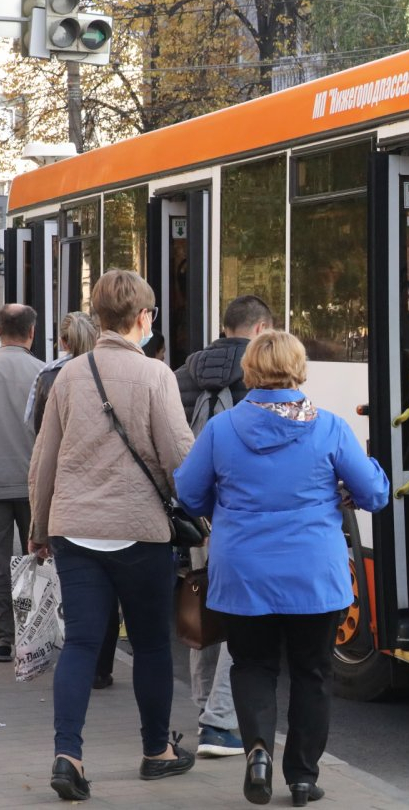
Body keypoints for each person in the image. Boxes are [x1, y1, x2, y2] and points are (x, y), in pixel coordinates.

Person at [174, 330, 389, 807]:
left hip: (243, 572)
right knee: (312, 673)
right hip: (314, 575)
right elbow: (374, 494)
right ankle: (304, 778)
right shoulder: (330, 427)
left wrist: (224, 506)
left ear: (250, 370)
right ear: (298, 369)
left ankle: (256, 754)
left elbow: (188, 494)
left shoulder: (223, 429)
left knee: (253, 666)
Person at [27, 270, 197, 801]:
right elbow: (179, 458)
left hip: (75, 530)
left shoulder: (69, 376)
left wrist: (38, 527)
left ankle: (67, 755)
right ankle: (156, 752)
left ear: (97, 317)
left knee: (79, 643)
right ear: (142, 317)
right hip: (140, 531)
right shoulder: (156, 376)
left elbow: (44, 460)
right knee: (149, 645)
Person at [173, 294, 273, 759]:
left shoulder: (185, 374)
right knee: (244, 618)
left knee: (203, 606)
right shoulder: (262, 377)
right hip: (242, 519)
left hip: (199, 515)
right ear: (260, 329)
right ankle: (221, 722)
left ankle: (202, 709)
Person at [20, 311, 120, 691]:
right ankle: (101, 667)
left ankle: (74, 654)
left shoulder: (49, 378)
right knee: (110, 586)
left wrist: (39, 524)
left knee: (75, 585)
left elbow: (38, 438)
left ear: (62, 341)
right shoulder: (115, 372)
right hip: (110, 495)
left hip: (66, 496)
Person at [0, 304, 44, 663]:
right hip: (33, 482)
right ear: (31, 332)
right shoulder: (43, 373)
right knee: (36, 559)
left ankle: (1, 639)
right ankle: (34, 637)